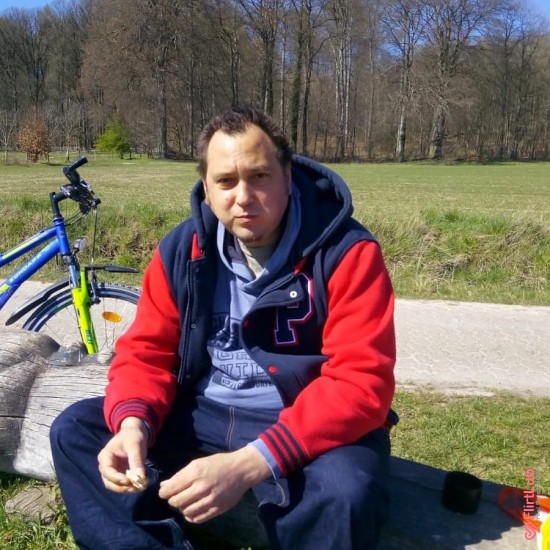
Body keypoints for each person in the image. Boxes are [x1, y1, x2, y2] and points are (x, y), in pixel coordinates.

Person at [50, 107, 398, 550]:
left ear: (287, 177)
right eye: (226, 181)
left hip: (297, 417)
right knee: (75, 431)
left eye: (260, 177)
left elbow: (361, 383)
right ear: (207, 187)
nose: (244, 197)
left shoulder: (347, 252)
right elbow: (146, 353)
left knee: (347, 491)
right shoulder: (182, 249)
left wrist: (249, 465)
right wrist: (133, 425)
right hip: (202, 412)